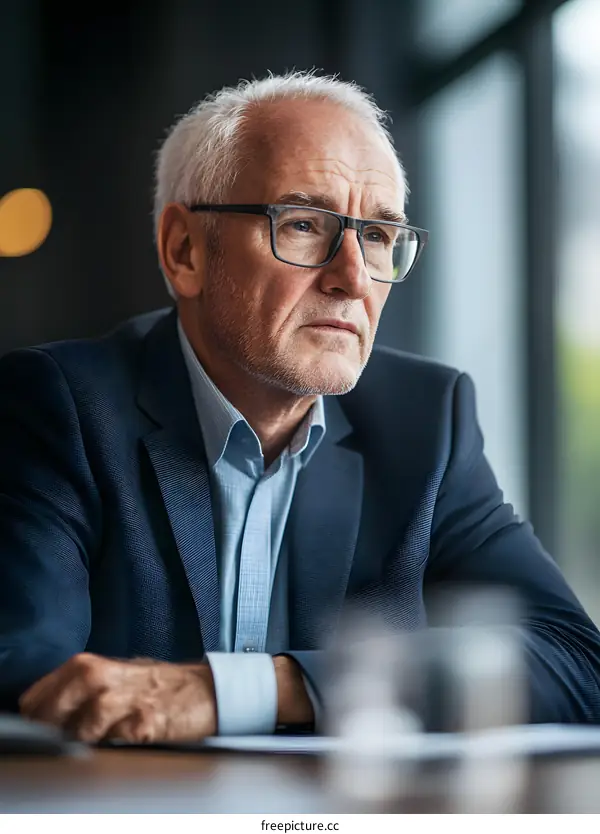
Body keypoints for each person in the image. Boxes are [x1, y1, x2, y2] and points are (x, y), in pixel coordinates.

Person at [1, 72, 599, 742]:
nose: (352, 278)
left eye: (377, 236)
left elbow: (575, 661)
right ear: (185, 250)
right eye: (305, 224)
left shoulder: (427, 421)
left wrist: (254, 689)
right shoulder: (56, 404)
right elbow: (27, 677)